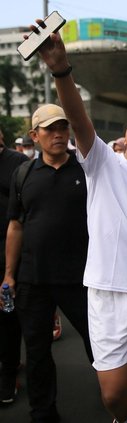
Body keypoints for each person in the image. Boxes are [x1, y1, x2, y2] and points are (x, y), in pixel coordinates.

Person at [33, 22, 127, 423]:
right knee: (113, 391)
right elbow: (79, 121)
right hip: (105, 291)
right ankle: (125, 417)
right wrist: (61, 68)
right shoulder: (102, 162)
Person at [2, 104, 93, 423]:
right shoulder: (23, 173)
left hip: (81, 279)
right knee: (38, 353)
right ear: (34, 135)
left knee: (100, 345)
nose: (58, 134)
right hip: (33, 280)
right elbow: (16, 225)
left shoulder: (85, 170)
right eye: (50, 129)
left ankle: (117, 401)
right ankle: (43, 412)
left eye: (62, 128)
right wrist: (9, 275)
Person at [0, 128, 28, 406]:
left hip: (10, 256)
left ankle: (8, 373)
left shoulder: (17, 164)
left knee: (7, 316)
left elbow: (21, 218)